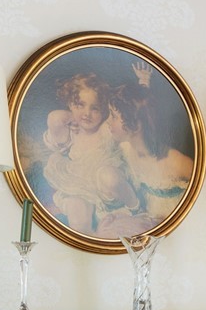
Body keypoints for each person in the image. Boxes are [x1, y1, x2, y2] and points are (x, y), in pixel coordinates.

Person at [42, 73, 138, 234]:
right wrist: (72, 116)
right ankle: (86, 245)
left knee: (110, 177)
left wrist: (143, 83)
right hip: (78, 186)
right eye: (80, 105)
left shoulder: (105, 129)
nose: (87, 113)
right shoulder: (71, 132)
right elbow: (54, 118)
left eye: (95, 108)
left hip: (106, 190)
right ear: (70, 105)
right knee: (78, 217)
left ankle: (135, 207)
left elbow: (133, 110)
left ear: (104, 110)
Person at [101, 81, 194, 227]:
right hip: (145, 222)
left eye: (113, 116)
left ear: (136, 125)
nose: (107, 121)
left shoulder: (176, 162)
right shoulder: (125, 149)